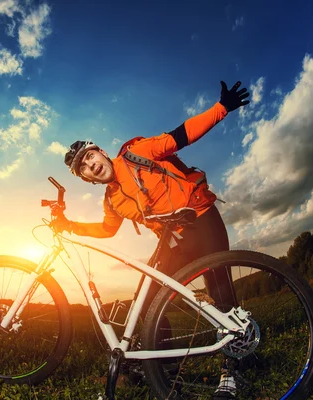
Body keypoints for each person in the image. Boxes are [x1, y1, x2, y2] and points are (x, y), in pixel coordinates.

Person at [52, 80, 250, 399]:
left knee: (220, 290)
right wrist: (69, 226)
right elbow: (106, 230)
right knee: (146, 300)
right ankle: (165, 368)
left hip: (201, 219)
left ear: (100, 151)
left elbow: (179, 136)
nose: (91, 166)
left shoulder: (136, 153)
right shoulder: (112, 200)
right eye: (85, 169)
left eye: (90, 157)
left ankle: (234, 369)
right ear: (88, 179)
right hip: (173, 240)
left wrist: (221, 108)